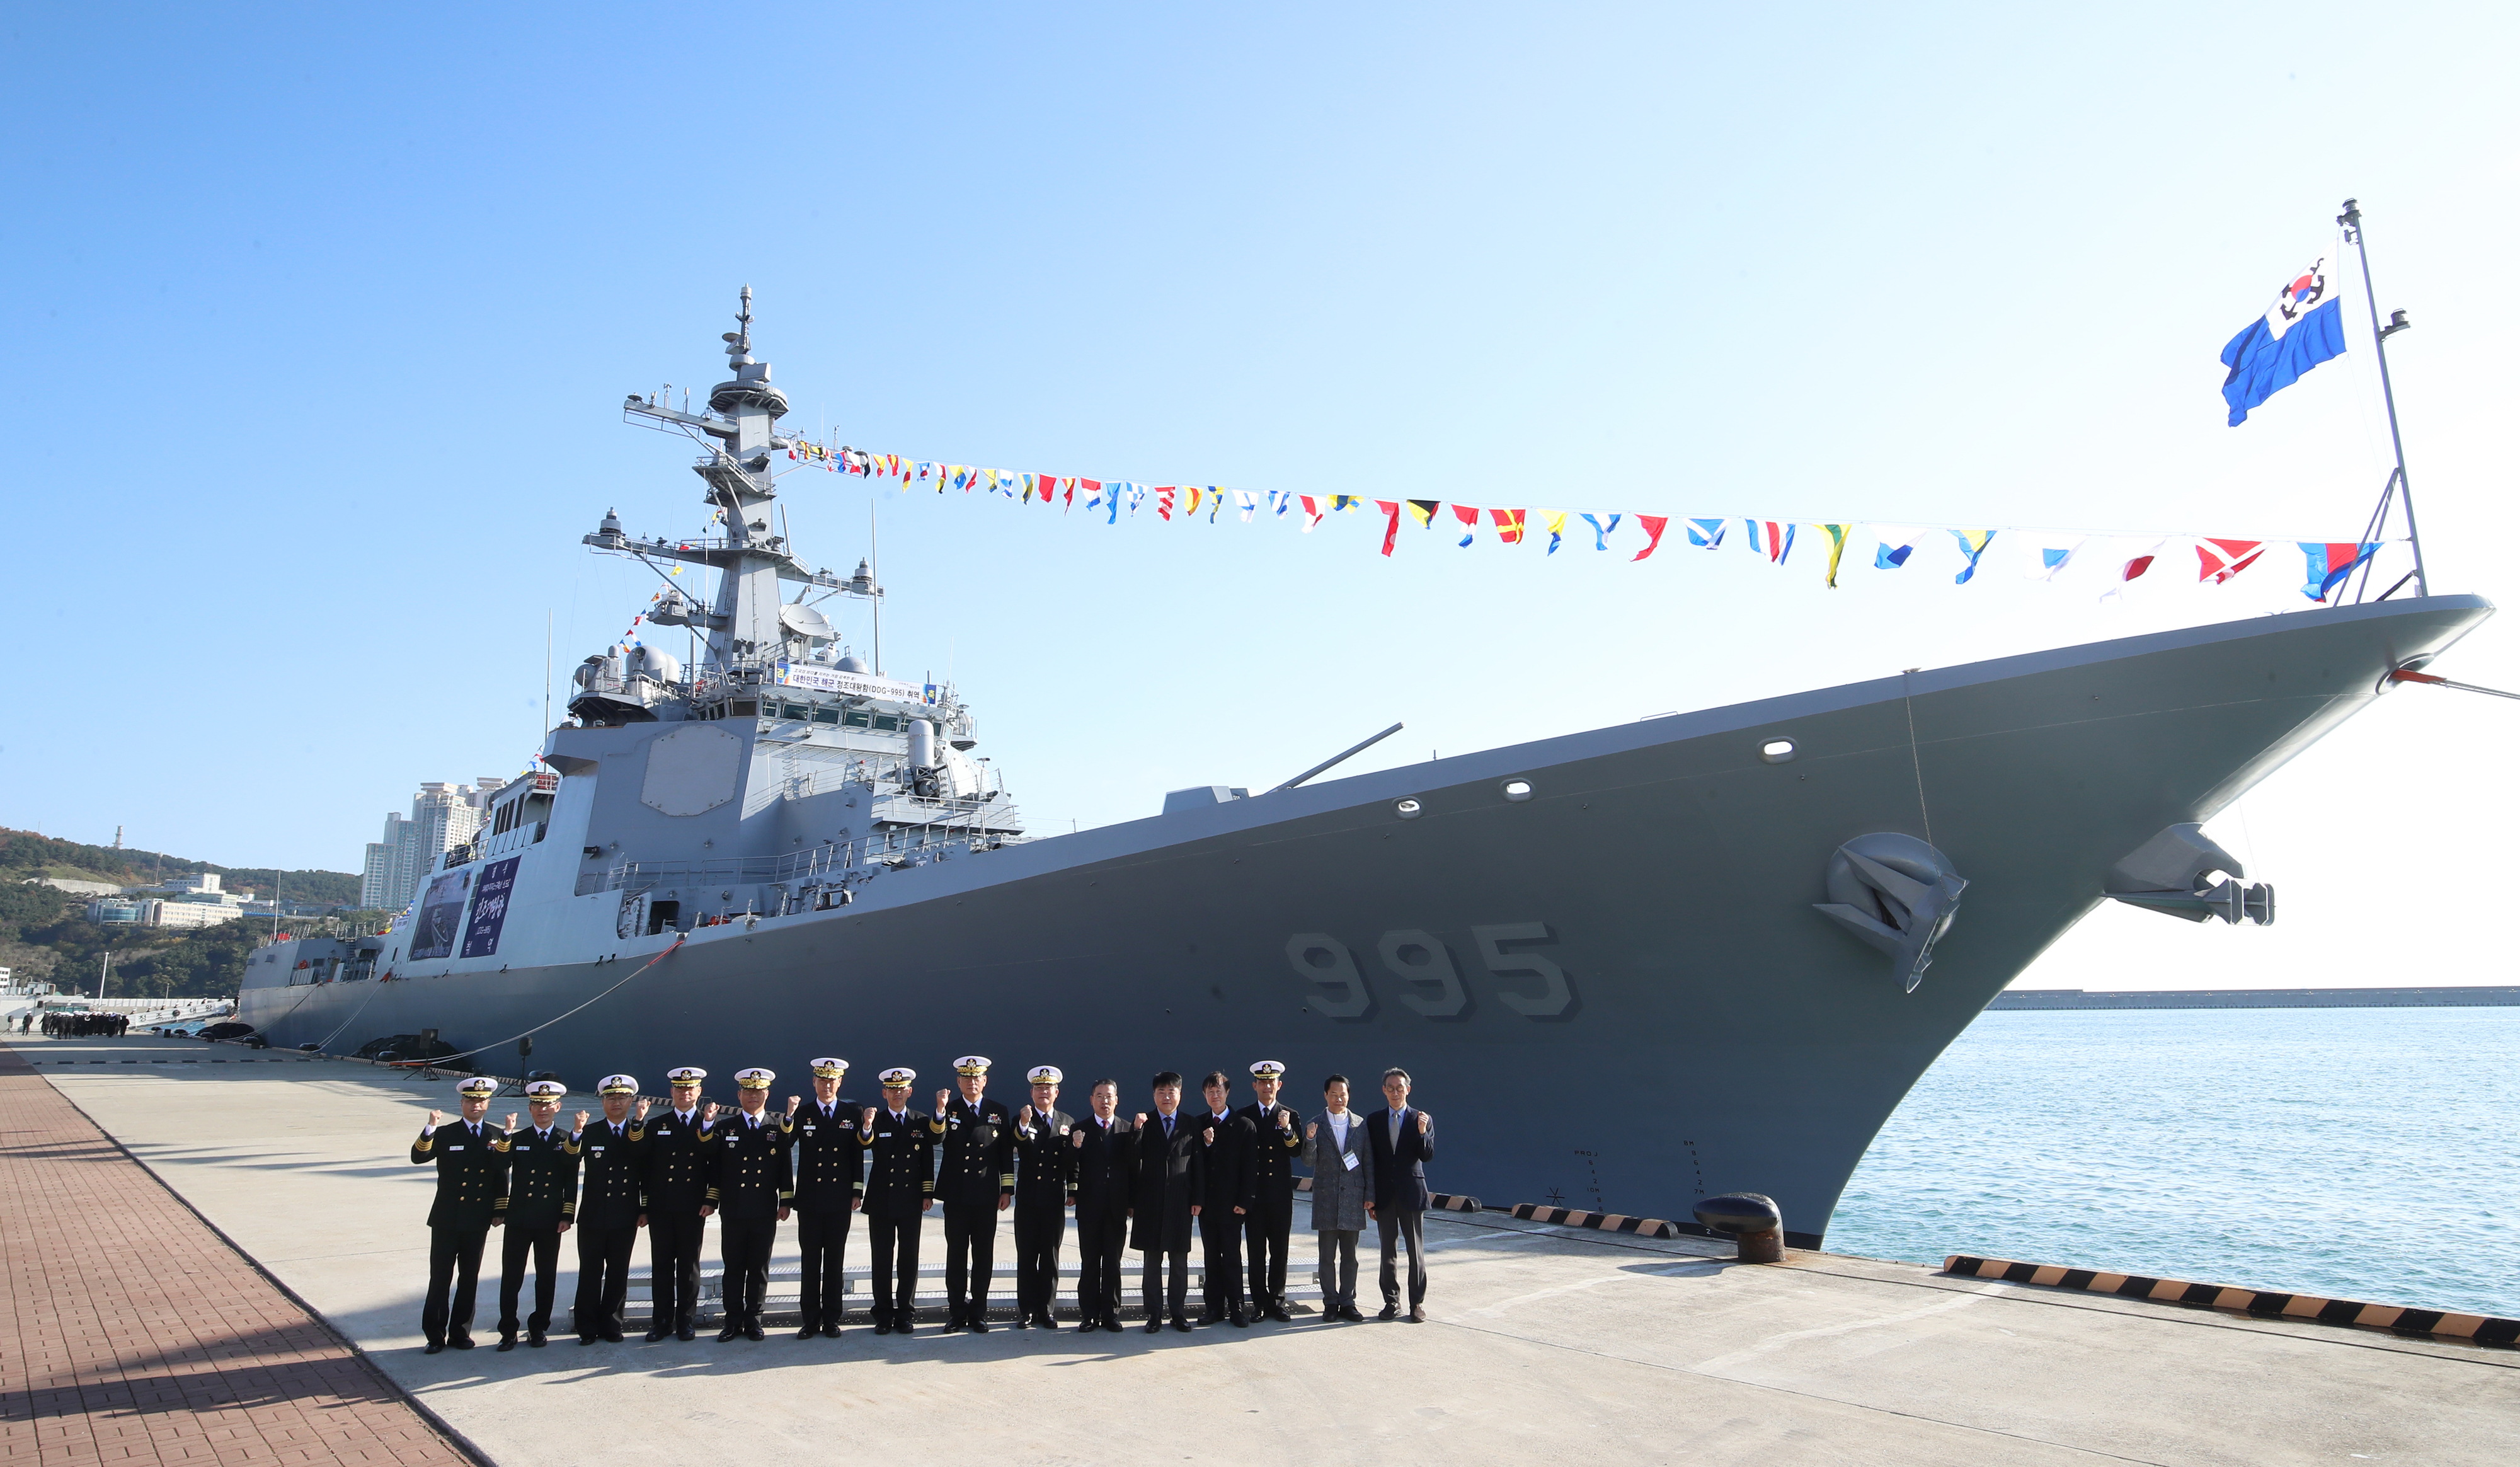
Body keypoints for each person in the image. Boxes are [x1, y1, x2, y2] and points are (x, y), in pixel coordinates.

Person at [411, 1074, 507, 1353]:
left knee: (469, 1278)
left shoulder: (496, 1135)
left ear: (488, 1103)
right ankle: (434, 1335)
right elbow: (418, 1157)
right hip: (446, 1217)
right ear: (462, 1103)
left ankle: (460, 1333)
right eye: (470, 1101)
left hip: (477, 1218)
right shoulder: (445, 1133)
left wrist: (500, 1210)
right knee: (440, 1277)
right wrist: (430, 1128)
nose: (475, 1105)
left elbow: (502, 1175)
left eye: (481, 1101)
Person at [702, 1067, 790, 1342]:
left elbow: (785, 1169)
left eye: (758, 1091)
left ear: (767, 1094)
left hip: (764, 1209)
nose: (753, 1096)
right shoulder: (726, 1128)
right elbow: (715, 1169)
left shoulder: (776, 1131)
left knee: (759, 1266)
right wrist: (711, 1201)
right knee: (734, 1267)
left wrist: (785, 1201)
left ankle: (754, 1319)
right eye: (748, 1091)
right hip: (734, 1208)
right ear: (739, 1095)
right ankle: (732, 1321)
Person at [494, 1079, 581, 1350]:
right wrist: (506, 1135)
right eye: (537, 1105)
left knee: (546, 1276)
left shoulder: (566, 1140)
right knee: (512, 1276)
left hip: (549, 1219)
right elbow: (500, 1167)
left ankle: (538, 1327)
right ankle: (508, 1329)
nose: (542, 1110)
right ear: (530, 1108)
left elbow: (570, 1177)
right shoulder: (517, 1139)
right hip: (519, 1218)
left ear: (558, 1107)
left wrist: (567, 1215)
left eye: (548, 1105)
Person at [932, 1056, 1013, 1332]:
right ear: (958, 1082)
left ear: (985, 1080)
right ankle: (956, 1312)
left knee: (983, 1255)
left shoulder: (997, 1111)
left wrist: (1007, 1190)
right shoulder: (949, 1110)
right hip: (956, 1195)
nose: (971, 1082)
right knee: (956, 1255)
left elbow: (1005, 1154)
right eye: (966, 1078)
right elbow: (936, 1138)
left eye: (976, 1077)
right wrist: (940, 1111)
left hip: (985, 1194)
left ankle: (978, 1311)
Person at [786, 1057, 865, 1340]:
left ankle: (832, 1318)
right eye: (822, 1080)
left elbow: (858, 1155)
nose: (827, 1085)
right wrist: (788, 1116)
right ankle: (809, 1319)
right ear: (814, 1083)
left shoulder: (851, 1113)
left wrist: (857, 1192)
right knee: (810, 1261)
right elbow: (786, 1144)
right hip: (809, 1199)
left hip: (839, 1199)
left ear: (840, 1082)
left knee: (834, 1260)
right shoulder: (803, 1113)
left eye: (832, 1080)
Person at [641, 1066, 718, 1341]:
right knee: (661, 1265)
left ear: (699, 1092)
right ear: (672, 1092)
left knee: (688, 1266)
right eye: (680, 1088)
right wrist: (644, 1206)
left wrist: (711, 1200)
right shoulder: (657, 1124)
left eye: (690, 1088)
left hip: (692, 1206)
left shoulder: (707, 1125)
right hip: (661, 1206)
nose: (685, 1093)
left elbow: (715, 1164)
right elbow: (645, 1167)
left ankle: (686, 1320)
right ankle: (661, 1321)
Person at [570, 1074, 648, 1345]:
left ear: (631, 1101)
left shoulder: (639, 1132)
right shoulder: (591, 1133)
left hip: (625, 1213)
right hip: (593, 1214)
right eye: (611, 1098)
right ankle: (587, 1326)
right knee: (589, 1272)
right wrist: (577, 1131)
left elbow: (647, 1172)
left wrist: (644, 1208)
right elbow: (568, 1160)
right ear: (603, 1101)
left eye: (622, 1098)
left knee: (618, 1272)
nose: (617, 1103)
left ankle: (613, 1324)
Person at [862, 1067, 938, 1335]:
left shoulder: (920, 1121)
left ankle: (906, 1312)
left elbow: (927, 1159)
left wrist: (927, 1193)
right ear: (884, 1093)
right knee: (881, 1259)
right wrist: (867, 1125)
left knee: (908, 1259)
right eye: (892, 1090)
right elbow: (864, 1144)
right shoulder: (877, 1121)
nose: (897, 1094)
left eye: (901, 1089)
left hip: (910, 1200)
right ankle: (883, 1314)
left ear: (910, 1092)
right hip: (881, 1200)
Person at [1131, 1071, 1204, 1333]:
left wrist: (1198, 1198)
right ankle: (1153, 1315)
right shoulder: (1144, 1122)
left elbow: (1198, 1164)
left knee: (1179, 1263)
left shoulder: (1190, 1123)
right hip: (1150, 1202)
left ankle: (1178, 1313)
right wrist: (1137, 1131)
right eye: (1161, 1092)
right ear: (1154, 1095)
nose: (1166, 1096)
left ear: (1180, 1095)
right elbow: (1132, 1157)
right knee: (1152, 1264)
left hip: (1180, 1202)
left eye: (1171, 1092)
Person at [1301, 1073, 1373, 1322]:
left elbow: (1367, 1163)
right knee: (1327, 1257)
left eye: (1343, 1094)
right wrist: (1309, 1139)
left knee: (1350, 1257)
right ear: (1325, 1096)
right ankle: (1330, 1302)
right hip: (1326, 1199)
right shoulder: (1316, 1124)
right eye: (1334, 1094)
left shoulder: (1360, 1125)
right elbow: (1308, 1161)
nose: (1339, 1098)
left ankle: (1348, 1302)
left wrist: (1370, 1196)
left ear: (1348, 1095)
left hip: (1353, 1199)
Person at [1366, 1066, 1436, 1323]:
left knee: (1415, 1251)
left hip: (1411, 1192)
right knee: (1388, 1251)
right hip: (1385, 1195)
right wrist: (1370, 1196)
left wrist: (1420, 1132)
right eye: (1391, 1088)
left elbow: (1427, 1155)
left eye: (1400, 1087)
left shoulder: (1422, 1118)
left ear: (1408, 1089)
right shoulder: (1373, 1121)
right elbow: (1370, 1160)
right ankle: (1391, 1302)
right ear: (1384, 1091)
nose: (1396, 1092)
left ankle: (1416, 1304)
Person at [1237, 1059, 1303, 1321]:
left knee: (1279, 1250)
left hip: (1279, 1195)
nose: (1267, 1086)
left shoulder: (1290, 1115)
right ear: (1255, 1085)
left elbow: (1296, 1151)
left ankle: (1277, 1300)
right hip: (1254, 1196)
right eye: (1262, 1082)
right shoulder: (1245, 1115)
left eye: (1271, 1082)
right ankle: (1259, 1302)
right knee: (1255, 1251)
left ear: (1279, 1085)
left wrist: (1287, 1129)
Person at [1009, 1065, 1075, 1329]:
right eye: (1039, 1088)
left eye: (1048, 1088)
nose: (1043, 1092)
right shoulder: (1022, 1119)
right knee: (1026, 1256)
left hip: (1052, 1200)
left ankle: (1047, 1310)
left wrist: (1073, 1190)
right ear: (1032, 1092)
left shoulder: (1067, 1122)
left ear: (1056, 1092)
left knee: (1050, 1256)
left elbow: (1072, 1161)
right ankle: (1026, 1311)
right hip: (1027, 1199)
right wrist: (1024, 1125)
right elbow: (1020, 1146)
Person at [1067, 1079, 1134, 1332]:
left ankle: (1111, 1313)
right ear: (1091, 1100)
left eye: (1109, 1096)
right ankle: (1089, 1314)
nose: (1104, 1101)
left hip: (1117, 1208)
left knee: (1113, 1263)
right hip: (1090, 1207)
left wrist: (1131, 1203)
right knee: (1091, 1262)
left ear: (1117, 1100)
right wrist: (1075, 1147)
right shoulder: (1079, 1129)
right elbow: (1070, 1166)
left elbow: (1133, 1169)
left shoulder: (1127, 1130)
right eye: (1099, 1096)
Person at [1194, 1071, 1256, 1326]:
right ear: (1204, 1095)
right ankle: (1214, 1308)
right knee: (1211, 1257)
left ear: (1228, 1092)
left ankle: (1237, 1308)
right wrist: (1206, 1145)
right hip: (1208, 1205)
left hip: (1232, 1205)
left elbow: (1250, 1168)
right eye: (1210, 1091)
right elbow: (1194, 1166)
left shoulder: (1243, 1125)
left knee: (1231, 1256)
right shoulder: (1198, 1124)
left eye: (1219, 1091)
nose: (1215, 1095)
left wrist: (1245, 1200)